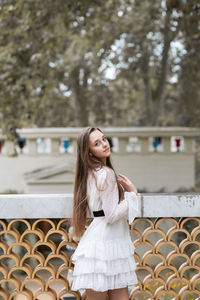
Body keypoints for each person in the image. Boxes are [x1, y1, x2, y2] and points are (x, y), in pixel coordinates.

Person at [71, 127, 138, 300]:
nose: (104, 144)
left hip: (101, 241)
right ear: (89, 152)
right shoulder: (106, 174)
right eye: (97, 143)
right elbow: (112, 215)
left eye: (104, 139)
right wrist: (132, 195)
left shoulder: (90, 173)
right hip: (108, 242)